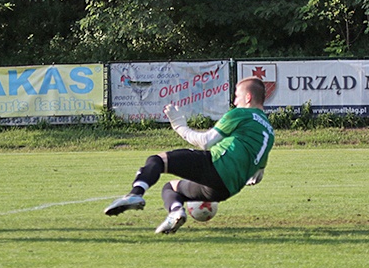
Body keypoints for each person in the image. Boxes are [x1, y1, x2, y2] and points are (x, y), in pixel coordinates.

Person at [105, 76, 274, 234]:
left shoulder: (241, 113)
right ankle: (176, 213)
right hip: (228, 188)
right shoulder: (268, 129)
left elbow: (206, 141)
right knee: (171, 188)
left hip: (217, 165)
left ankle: (135, 194)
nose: (235, 101)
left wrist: (179, 126)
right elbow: (258, 174)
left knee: (157, 160)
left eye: (237, 96)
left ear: (248, 97)